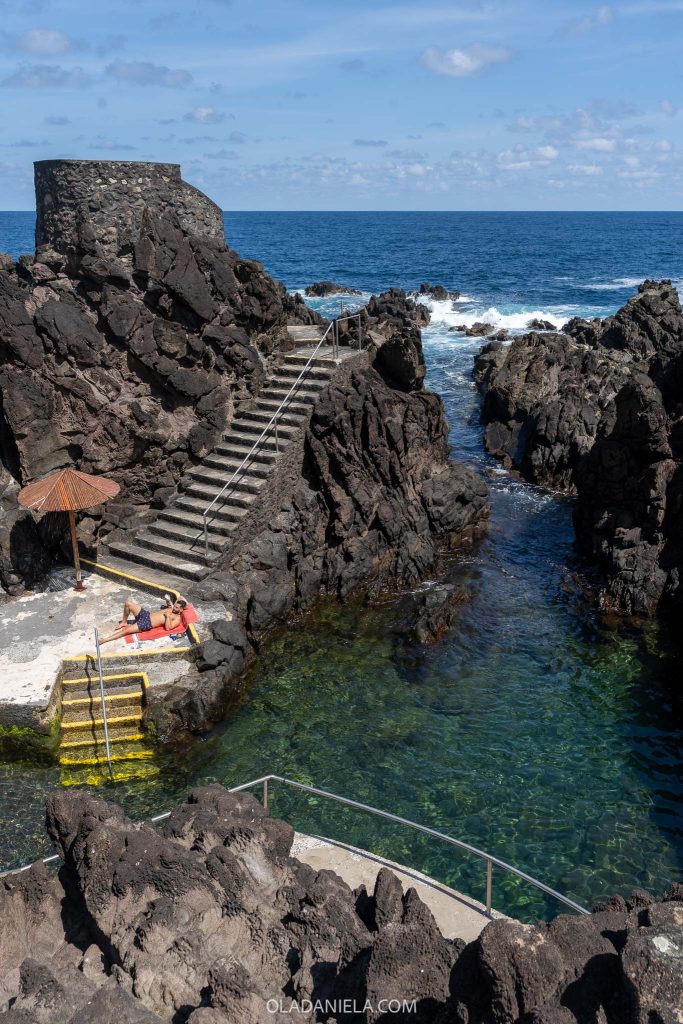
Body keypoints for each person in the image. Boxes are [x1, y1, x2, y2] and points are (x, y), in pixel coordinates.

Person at [100, 595, 188, 645]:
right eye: (175, 606)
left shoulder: (177, 619)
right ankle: (124, 622)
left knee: (126, 631)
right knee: (128, 604)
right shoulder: (172, 608)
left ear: (181, 610)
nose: (174, 608)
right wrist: (168, 601)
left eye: (176, 608)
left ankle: (105, 640)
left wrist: (167, 617)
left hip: (146, 623)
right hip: (146, 615)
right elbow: (172, 603)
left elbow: (168, 628)